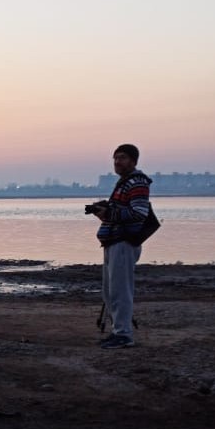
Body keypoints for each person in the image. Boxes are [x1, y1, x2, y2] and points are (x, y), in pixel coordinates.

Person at [87, 144, 152, 349]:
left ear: (133, 161)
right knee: (110, 291)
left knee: (120, 291)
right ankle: (118, 331)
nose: (117, 162)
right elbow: (125, 211)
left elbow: (139, 214)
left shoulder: (137, 183)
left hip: (124, 243)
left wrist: (108, 213)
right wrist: (106, 210)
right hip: (114, 242)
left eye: (122, 158)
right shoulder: (125, 183)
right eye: (115, 158)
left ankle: (124, 335)